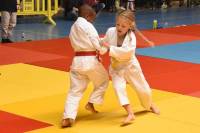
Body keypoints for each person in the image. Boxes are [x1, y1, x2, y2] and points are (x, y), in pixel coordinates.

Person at [101, 9, 160, 125]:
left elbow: (127, 52)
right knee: (118, 88)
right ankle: (130, 113)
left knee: (144, 90)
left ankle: (149, 104)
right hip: (116, 67)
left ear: (130, 26)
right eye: (117, 24)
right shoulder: (110, 31)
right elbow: (103, 43)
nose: (119, 28)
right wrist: (99, 47)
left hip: (130, 66)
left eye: (123, 26)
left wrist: (109, 48)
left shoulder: (131, 37)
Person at [61, 4, 109, 128]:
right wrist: (105, 48)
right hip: (90, 61)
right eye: (92, 17)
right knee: (103, 81)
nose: (93, 19)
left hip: (77, 61)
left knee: (74, 91)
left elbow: (73, 42)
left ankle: (68, 118)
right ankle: (92, 102)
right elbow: (96, 43)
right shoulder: (88, 26)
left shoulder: (73, 27)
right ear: (87, 16)